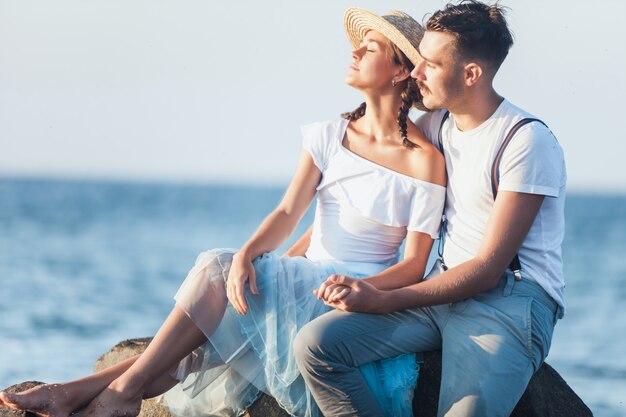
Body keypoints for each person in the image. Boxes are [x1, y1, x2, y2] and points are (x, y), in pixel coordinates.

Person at [0, 8, 446, 417]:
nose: (353, 52)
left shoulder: (425, 159)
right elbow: (289, 211)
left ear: (401, 70)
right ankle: (99, 393)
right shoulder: (330, 135)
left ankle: (98, 392)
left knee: (212, 299)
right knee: (221, 286)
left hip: (355, 298)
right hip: (305, 276)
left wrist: (361, 289)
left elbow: (413, 265)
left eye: (369, 49)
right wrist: (249, 255)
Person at [294, 1, 567, 416]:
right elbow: (374, 189)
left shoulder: (525, 141)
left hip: (507, 301)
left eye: (431, 65)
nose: (417, 73)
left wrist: (384, 298)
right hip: (439, 293)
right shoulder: (436, 127)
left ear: (471, 73)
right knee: (316, 345)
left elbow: (488, 267)